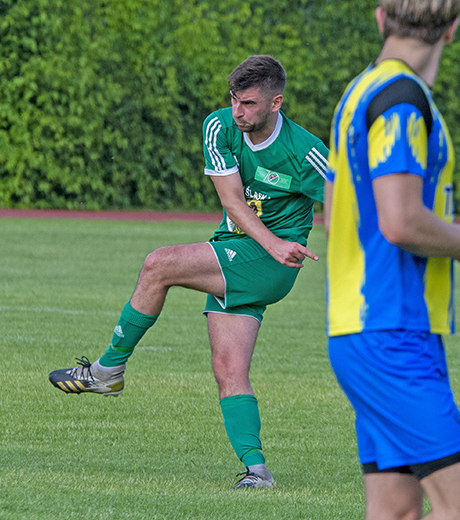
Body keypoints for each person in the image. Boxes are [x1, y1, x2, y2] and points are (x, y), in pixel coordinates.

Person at [49, 55, 329, 489]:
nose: (239, 112)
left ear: (276, 102)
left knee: (158, 264)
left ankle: (107, 372)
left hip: (272, 264)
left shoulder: (305, 151)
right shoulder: (219, 127)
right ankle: (257, 472)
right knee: (228, 370)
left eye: (250, 104)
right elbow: (233, 202)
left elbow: (353, 204)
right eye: (234, 101)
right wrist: (266, 241)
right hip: (236, 251)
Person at [324, 1, 460, 518]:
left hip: (365, 330)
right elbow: (400, 221)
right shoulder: (403, 101)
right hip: (390, 333)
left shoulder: (358, 93)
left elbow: (335, 215)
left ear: (381, 18)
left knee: (396, 511)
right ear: (452, 30)